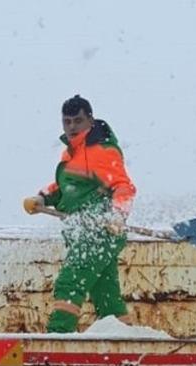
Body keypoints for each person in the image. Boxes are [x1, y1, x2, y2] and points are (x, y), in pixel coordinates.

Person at [23, 95, 136, 333]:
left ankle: (58, 337)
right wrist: (42, 198)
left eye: (78, 120)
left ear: (90, 120)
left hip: (100, 231)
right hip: (82, 232)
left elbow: (123, 186)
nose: (72, 127)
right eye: (67, 121)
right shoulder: (71, 153)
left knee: (70, 283)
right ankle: (127, 338)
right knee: (107, 299)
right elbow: (66, 187)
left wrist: (118, 216)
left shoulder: (103, 150)